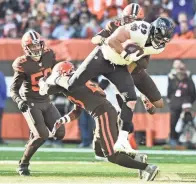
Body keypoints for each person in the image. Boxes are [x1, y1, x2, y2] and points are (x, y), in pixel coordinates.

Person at [47, 4, 174, 152]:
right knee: (76, 87)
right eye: (129, 19)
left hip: (129, 67)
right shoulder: (125, 27)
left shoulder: (157, 44)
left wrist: (139, 90)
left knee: (143, 102)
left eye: (136, 19)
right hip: (108, 60)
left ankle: (121, 140)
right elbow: (99, 40)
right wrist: (112, 44)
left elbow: (141, 64)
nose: (132, 22)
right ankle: (52, 82)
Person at [39, 61, 159, 181]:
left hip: (103, 114)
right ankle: (136, 158)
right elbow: (78, 110)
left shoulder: (68, 82)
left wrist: (44, 82)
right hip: (103, 113)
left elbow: (46, 90)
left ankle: (147, 168)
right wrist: (63, 120)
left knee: (111, 155)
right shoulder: (76, 83)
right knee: (98, 152)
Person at [10, 30, 65, 176]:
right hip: (31, 102)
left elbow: (56, 71)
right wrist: (19, 101)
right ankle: (23, 164)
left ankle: (32, 138)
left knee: (60, 132)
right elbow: (13, 89)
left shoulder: (48, 55)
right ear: (26, 48)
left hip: (46, 100)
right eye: (32, 46)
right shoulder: (22, 64)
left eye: (37, 45)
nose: (36, 49)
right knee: (42, 135)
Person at [167, 62, 196, 146]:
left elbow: (193, 94)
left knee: (188, 123)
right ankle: (173, 139)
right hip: (175, 106)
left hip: (186, 107)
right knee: (173, 123)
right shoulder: (173, 80)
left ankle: (187, 139)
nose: (181, 71)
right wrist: (172, 102)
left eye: (183, 69)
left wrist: (189, 104)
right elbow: (169, 93)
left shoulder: (189, 81)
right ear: (176, 70)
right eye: (179, 69)